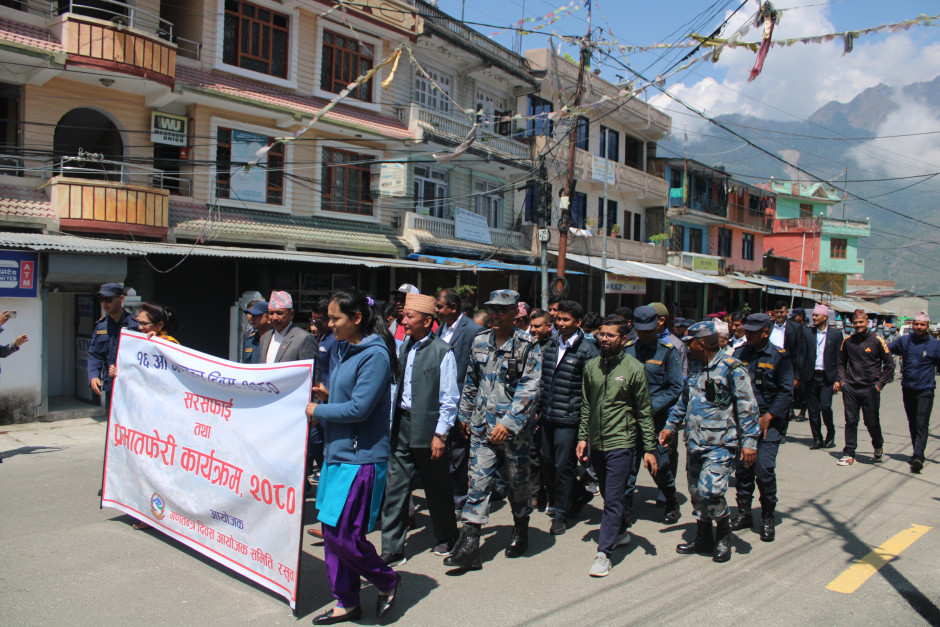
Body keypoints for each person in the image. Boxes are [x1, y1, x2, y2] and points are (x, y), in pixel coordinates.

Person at [305, 290, 403, 624]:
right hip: (337, 454)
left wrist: (319, 410)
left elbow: (360, 408)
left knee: (344, 536)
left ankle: (387, 580)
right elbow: (350, 398)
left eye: (335, 318)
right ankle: (345, 601)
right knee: (332, 532)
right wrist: (328, 397)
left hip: (360, 458)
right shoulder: (346, 348)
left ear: (357, 318)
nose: (329, 324)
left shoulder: (375, 354)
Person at [444, 289, 541, 571]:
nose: (494, 315)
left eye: (501, 310)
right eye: (491, 309)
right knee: (478, 481)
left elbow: (529, 390)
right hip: (482, 426)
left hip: (514, 432)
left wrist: (507, 423)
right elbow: (471, 381)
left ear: (515, 313)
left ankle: (521, 526)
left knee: (517, 483)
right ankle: (470, 543)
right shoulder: (480, 341)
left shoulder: (528, 345)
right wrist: (464, 414)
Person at [660, 321, 759, 563]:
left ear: (702, 344)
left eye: (690, 343)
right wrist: (670, 426)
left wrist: (749, 442)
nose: (687, 347)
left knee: (711, 491)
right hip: (695, 442)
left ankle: (724, 535)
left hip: (720, 444)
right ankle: (703, 536)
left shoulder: (732, 368)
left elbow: (747, 407)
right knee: (696, 493)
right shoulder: (696, 367)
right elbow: (684, 400)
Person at [380, 293, 459, 566]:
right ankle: (392, 547)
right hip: (401, 427)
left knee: (436, 488)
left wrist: (440, 434)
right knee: (395, 489)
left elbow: (449, 398)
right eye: (404, 316)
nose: (404, 321)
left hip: (429, 429)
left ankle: (447, 535)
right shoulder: (403, 348)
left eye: (409, 316)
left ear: (427, 321)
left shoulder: (442, 352)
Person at [577, 315, 656, 577]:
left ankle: (604, 554)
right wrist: (583, 437)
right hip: (596, 442)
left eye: (611, 335)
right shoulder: (591, 366)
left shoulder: (634, 368)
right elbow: (586, 404)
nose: (604, 339)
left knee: (611, 498)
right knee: (608, 491)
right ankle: (621, 530)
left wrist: (649, 449)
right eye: (602, 334)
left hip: (622, 441)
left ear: (624, 339)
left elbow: (644, 411)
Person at [730, 313, 793, 543]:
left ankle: (767, 516)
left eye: (752, 332)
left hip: (769, 422)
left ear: (766, 332)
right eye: (746, 330)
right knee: (743, 468)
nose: (746, 334)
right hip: (742, 422)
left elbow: (786, 392)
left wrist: (769, 416)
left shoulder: (780, 357)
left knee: (763, 469)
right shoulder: (739, 353)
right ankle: (744, 513)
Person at [539, 300, 599, 535]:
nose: (560, 324)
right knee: (546, 462)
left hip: (570, 419)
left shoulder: (587, 351)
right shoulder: (551, 344)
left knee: (563, 465)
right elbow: (543, 379)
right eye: (558, 319)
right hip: (547, 414)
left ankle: (560, 514)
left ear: (578, 322)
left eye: (566, 320)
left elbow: (591, 391)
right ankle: (579, 493)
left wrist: (585, 427)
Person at [119, 301, 179, 530]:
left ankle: (157, 514)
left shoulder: (170, 345)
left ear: (159, 325)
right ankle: (143, 509)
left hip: (161, 424)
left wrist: (160, 345)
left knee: (158, 470)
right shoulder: (137, 344)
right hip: (141, 418)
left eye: (144, 324)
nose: (140, 327)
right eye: (139, 323)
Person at [623, 306, 683, 527]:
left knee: (659, 466)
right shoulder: (627, 350)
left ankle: (671, 502)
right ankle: (625, 510)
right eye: (641, 331)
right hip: (629, 420)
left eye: (649, 330)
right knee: (627, 466)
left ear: (657, 326)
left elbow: (675, 388)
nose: (645, 335)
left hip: (655, 420)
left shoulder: (668, 352)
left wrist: (648, 408)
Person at [434, 288, 484, 514]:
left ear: (453, 307)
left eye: (440, 307)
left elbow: (478, 371)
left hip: (462, 402)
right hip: (440, 401)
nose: (436, 311)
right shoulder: (440, 330)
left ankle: (459, 501)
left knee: (458, 454)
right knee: (443, 454)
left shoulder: (473, 331)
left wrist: (471, 406)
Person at [835, 309, 895, 466]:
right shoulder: (848, 341)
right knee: (851, 421)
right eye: (855, 323)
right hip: (851, 388)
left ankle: (878, 445)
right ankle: (849, 453)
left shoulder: (877, 340)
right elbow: (841, 362)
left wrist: (879, 385)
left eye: (861, 322)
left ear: (867, 322)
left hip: (870, 389)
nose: (858, 325)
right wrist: (842, 381)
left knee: (871, 422)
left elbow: (889, 363)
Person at [888, 310, 940, 473]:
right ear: (912, 325)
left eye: (922, 325)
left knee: (922, 422)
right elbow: (886, 349)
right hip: (908, 388)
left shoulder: (935, 345)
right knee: (913, 422)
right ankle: (917, 452)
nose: (918, 327)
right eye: (916, 324)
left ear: (927, 326)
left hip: (925, 389)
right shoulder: (905, 341)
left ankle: (918, 455)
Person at [87, 283, 139, 413]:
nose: (104, 303)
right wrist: (93, 376)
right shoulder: (101, 326)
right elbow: (94, 354)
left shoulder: (136, 325)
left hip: (133, 386)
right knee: (112, 423)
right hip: (112, 385)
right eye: (101, 299)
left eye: (109, 299)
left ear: (121, 299)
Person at [803, 304, 841, 450]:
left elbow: (839, 358)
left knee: (825, 406)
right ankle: (817, 438)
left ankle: (830, 433)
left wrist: (838, 379)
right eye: (813, 315)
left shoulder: (835, 334)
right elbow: (802, 353)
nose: (814, 318)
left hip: (827, 377)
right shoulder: (808, 332)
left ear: (825, 317)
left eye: (817, 315)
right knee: (813, 410)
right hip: (811, 376)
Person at [259, 291, 319, 373]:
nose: (274, 317)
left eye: (279, 313)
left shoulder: (304, 339)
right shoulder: (265, 338)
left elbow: (312, 374)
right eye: (271, 313)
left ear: (291, 314)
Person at [770, 301, 806, 421]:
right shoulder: (768, 326)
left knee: (785, 396)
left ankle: (783, 423)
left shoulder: (795, 328)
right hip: (769, 366)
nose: (779, 315)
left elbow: (799, 352)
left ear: (786, 312)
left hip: (786, 368)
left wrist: (797, 376)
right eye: (777, 312)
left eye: (782, 312)